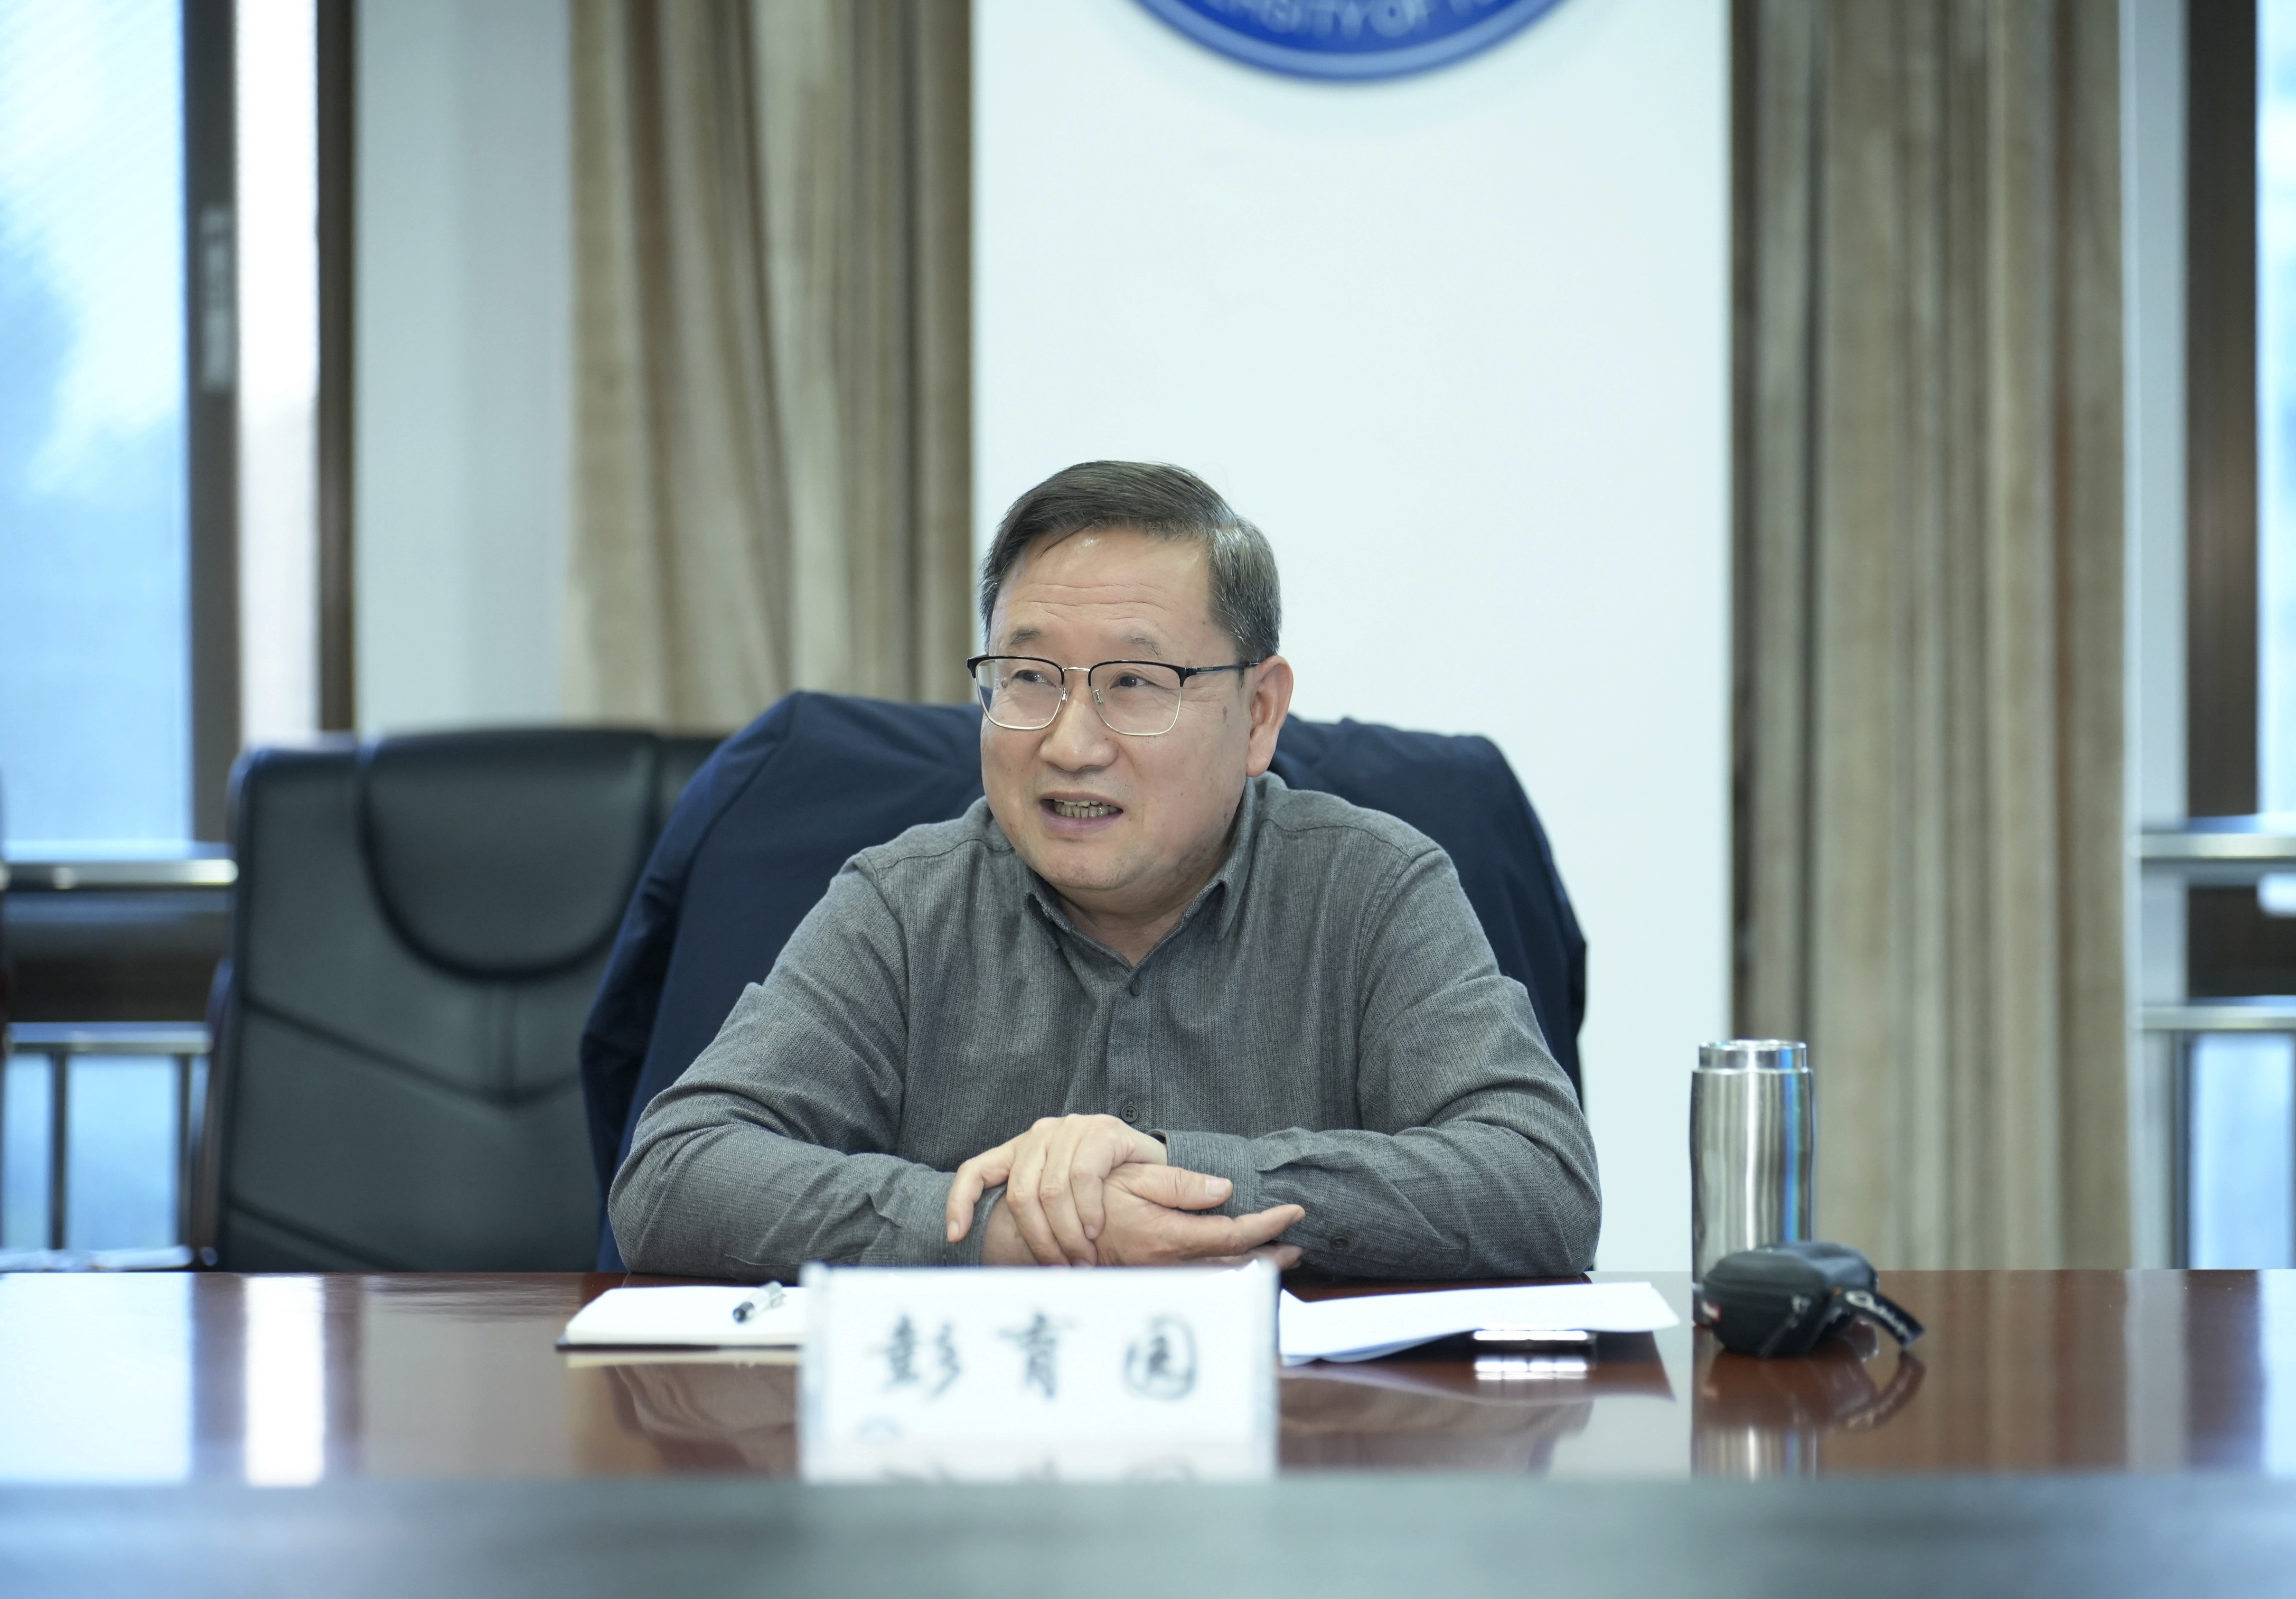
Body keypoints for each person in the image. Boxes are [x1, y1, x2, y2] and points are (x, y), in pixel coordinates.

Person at [610, 461, 1600, 1279]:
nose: (1071, 744)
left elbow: (1540, 1180)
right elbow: (675, 1174)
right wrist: (1005, 1227)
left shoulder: (1373, 888)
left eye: (1135, 682)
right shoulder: (904, 905)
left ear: (1258, 715)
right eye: (1028, 679)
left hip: (1299, 1442)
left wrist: (1189, 1182)